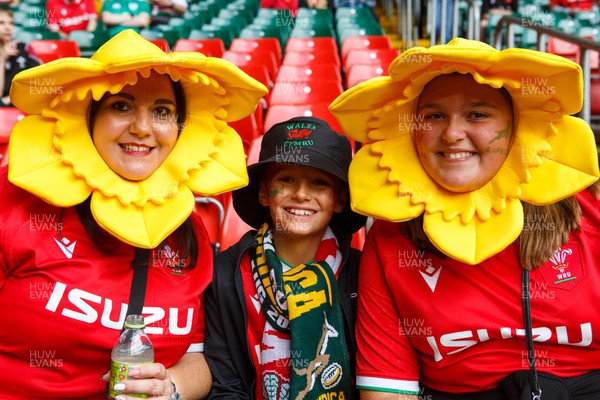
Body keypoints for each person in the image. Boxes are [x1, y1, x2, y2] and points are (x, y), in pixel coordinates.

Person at [0, 29, 267, 399]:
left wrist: (170, 388)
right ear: (89, 117)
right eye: (121, 106)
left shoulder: (186, 228)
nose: (142, 128)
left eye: (162, 111)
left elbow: (198, 359)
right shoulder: (16, 203)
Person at [329, 38, 600, 399]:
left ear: (516, 125)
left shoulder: (589, 210)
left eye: (478, 114)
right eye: (434, 116)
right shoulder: (390, 236)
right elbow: (388, 389)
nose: (453, 133)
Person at [204, 116, 367, 399]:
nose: (301, 194)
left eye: (319, 182)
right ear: (264, 193)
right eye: (287, 180)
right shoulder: (223, 275)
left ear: (339, 201)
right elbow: (225, 386)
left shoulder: (364, 275)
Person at [0, 7, 39, 106]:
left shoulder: (24, 48)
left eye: (11, 23)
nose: (7, 27)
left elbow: (40, 83)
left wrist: (11, 99)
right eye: (1, 23)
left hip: (23, 104)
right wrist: (2, 59)